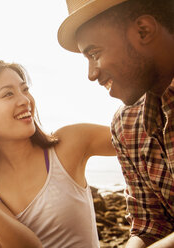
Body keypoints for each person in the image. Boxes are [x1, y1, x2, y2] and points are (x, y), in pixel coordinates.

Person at [0, 56, 116, 247]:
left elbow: (139, 135)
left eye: (25, 89)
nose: (25, 100)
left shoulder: (70, 142)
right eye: (8, 94)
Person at [57, 0, 174, 247]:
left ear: (143, 30)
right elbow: (149, 225)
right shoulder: (126, 125)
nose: (91, 74)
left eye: (94, 53)